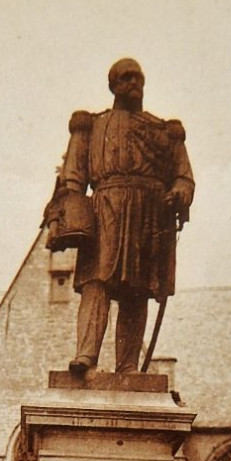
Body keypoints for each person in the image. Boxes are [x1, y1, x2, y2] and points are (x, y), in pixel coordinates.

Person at [49, 58, 194, 376]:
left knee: (138, 290)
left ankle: (127, 366)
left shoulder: (164, 132)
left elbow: (183, 176)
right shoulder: (93, 126)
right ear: (112, 85)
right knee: (96, 282)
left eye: (138, 77)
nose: (133, 83)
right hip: (106, 210)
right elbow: (74, 175)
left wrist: (181, 192)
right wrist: (69, 209)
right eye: (125, 78)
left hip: (148, 214)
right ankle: (85, 354)